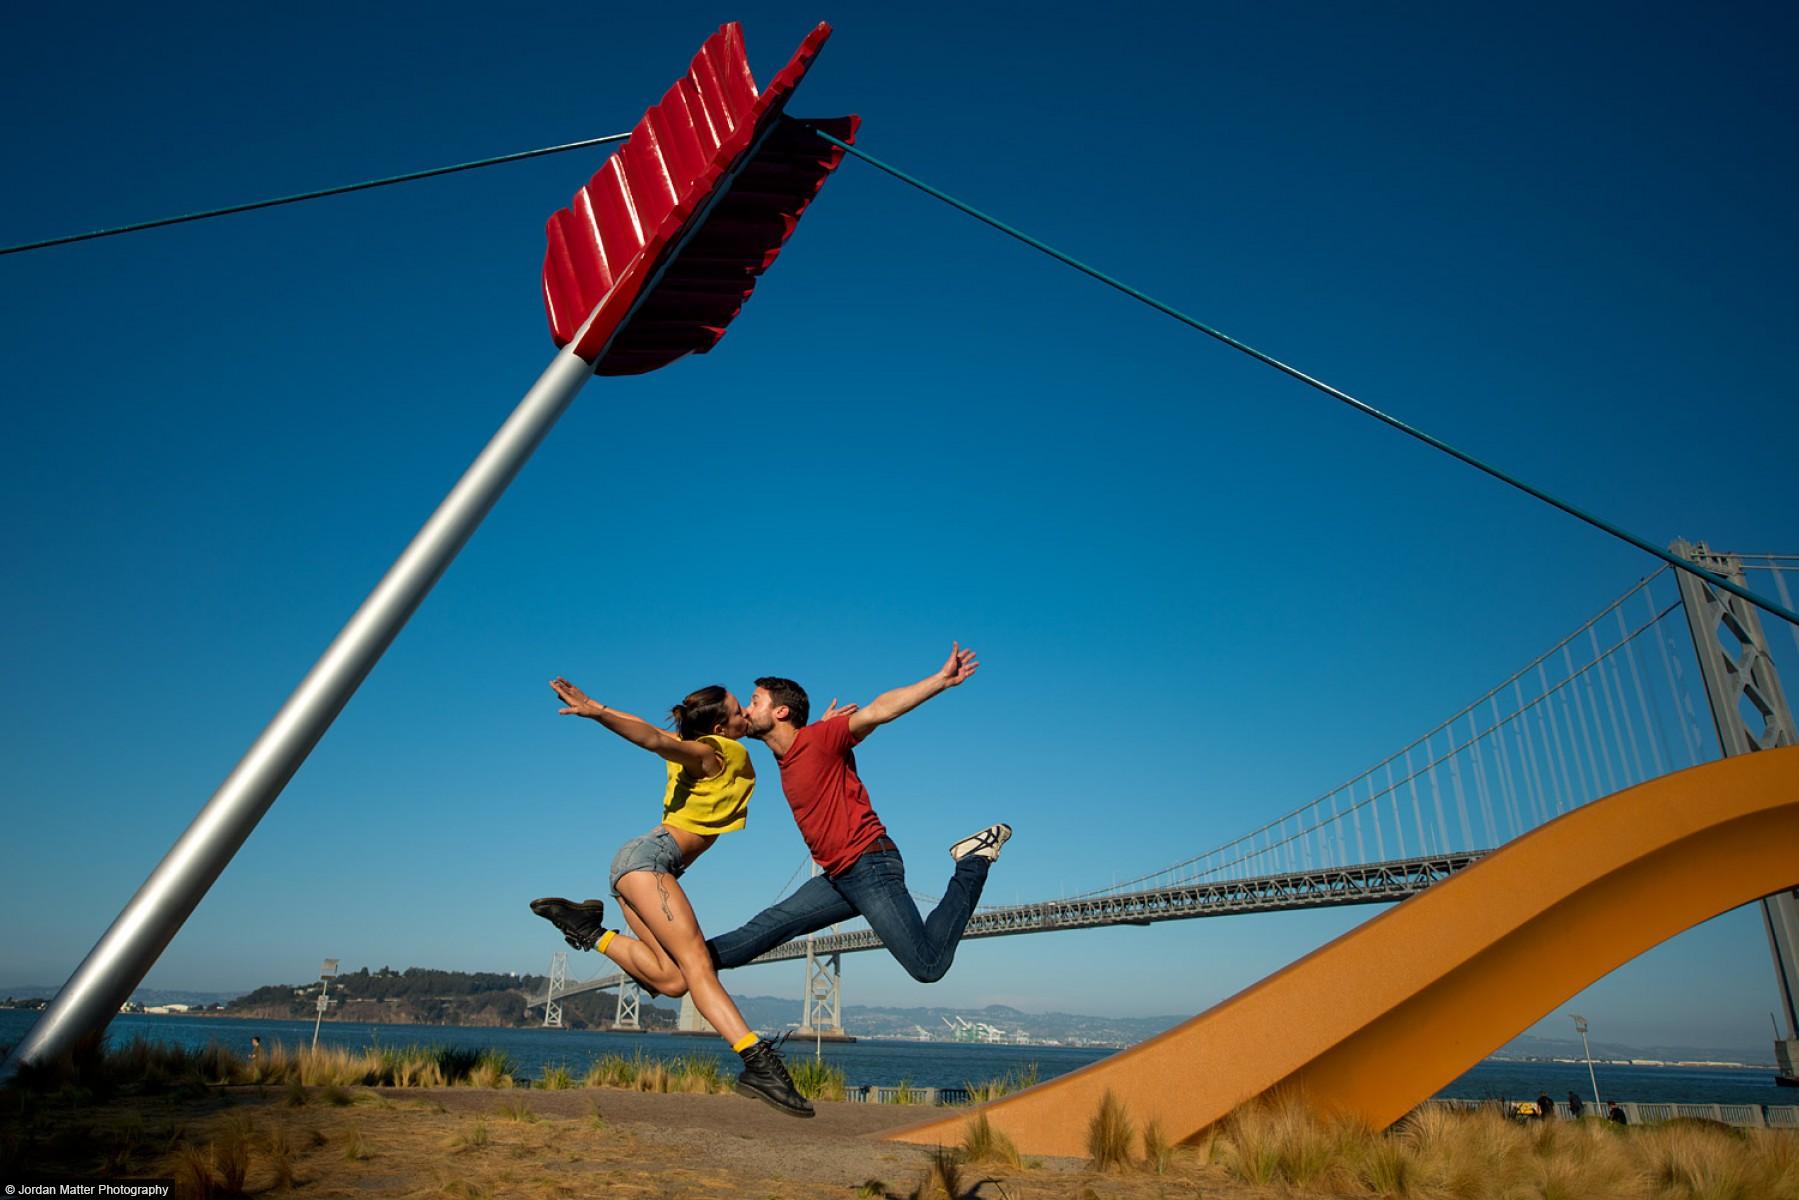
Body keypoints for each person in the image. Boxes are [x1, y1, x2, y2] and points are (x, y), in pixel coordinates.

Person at [527, 677, 812, 1117]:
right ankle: (759, 1061)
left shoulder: (701, 746)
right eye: (738, 711)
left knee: (674, 981)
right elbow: (654, 737)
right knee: (699, 966)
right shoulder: (715, 753)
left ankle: (589, 930)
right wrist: (598, 709)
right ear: (720, 727)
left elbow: (665, 736)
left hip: (638, 868)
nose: (744, 715)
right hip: (648, 864)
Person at [708, 643, 1009, 981]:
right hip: (839, 877)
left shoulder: (822, 738)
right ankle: (686, 961)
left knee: (928, 966)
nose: (746, 711)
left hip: (870, 866)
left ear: (781, 712)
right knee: (768, 928)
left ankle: (973, 861)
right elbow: (807, 753)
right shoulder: (796, 749)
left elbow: (878, 711)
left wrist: (939, 680)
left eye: (754, 702)